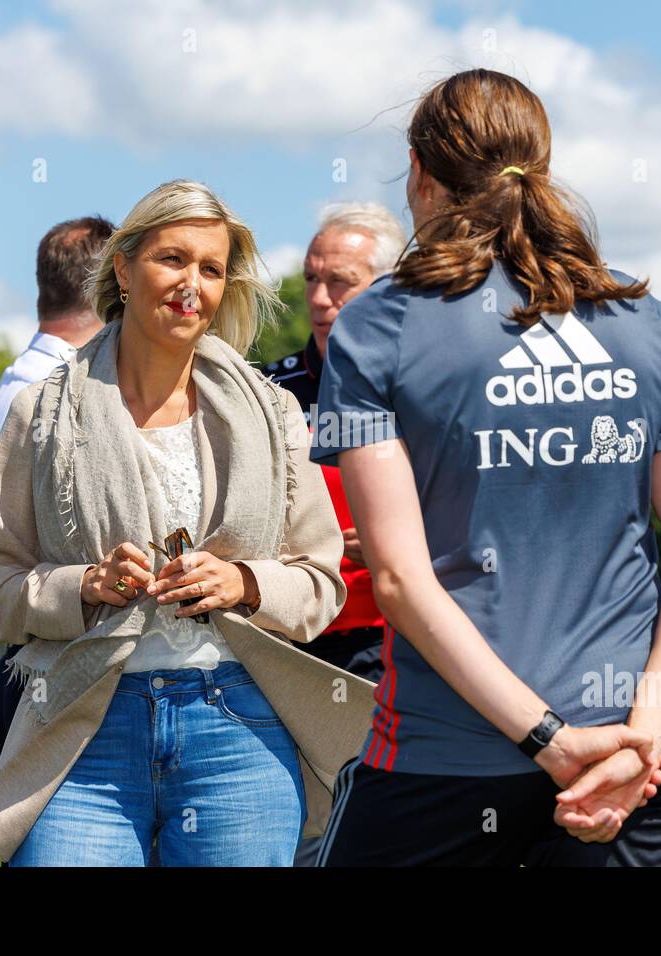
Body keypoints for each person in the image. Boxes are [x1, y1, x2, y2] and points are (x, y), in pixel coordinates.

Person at [311, 69, 661, 866]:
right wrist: (637, 743)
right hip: (633, 771)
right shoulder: (649, 321)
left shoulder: (379, 322)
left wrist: (553, 742)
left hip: (444, 767)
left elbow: (401, 580)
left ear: (418, 172)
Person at [0, 179, 368, 866]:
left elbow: (320, 583)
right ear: (122, 268)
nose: (192, 283)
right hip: (81, 728)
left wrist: (242, 582)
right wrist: (85, 585)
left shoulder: (272, 416)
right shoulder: (40, 414)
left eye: (211, 269)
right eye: (172, 259)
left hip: (238, 728)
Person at [264, 201, 405, 867]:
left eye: (339, 281)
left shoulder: (427, 381)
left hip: (398, 644)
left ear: (388, 282)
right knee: (300, 835)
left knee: (382, 829)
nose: (319, 299)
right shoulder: (269, 393)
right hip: (292, 644)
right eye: (311, 280)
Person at [0, 215, 114, 776]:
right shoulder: (52, 395)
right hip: (53, 666)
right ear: (112, 286)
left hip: (32, 663)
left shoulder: (11, 389)